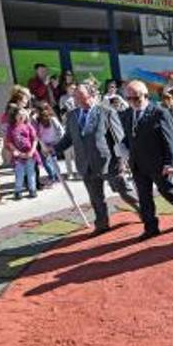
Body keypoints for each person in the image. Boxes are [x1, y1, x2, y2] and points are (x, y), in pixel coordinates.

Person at [52, 83, 139, 236]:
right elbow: (68, 138)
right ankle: (102, 224)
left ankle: (145, 212)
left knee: (125, 191)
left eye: (81, 95)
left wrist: (121, 161)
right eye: (75, 96)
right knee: (96, 198)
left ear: (92, 95)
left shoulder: (106, 112)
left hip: (108, 162)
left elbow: (119, 138)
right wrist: (54, 149)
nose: (77, 99)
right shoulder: (72, 116)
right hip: (85, 164)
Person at [120, 80, 173, 241]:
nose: (132, 102)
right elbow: (129, 136)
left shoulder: (159, 112)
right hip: (137, 163)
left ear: (145, 96)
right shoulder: (127, 114)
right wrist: (123, 147)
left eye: (136, 98)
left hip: (158, 163)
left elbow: (169, 138)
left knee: (167, 191)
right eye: (129, 98)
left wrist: (170, 162)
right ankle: (151, 228)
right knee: (144, 196)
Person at [6, 108, 40, 200]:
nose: (21, 117)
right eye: (19, 115)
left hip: (30, 154)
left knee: (31, 173)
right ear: (15, 116)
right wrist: (18, 153)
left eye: (23, 115)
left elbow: (35, 140)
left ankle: (32, 189)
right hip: (18, 155)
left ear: (26, 116)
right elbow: (9, 142)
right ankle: (18, 191)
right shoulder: (11, 128)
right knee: (19, 173)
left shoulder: (28, 126)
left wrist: (32, 151)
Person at [35, 104, 65, 186]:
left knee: (53, 161)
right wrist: (42, 145)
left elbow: (61, 131)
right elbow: (38, 134)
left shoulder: (52, 119)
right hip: (44, 143)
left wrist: (58, 142)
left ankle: (56, 177)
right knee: (45, 162)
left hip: (53, 143)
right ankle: (53, 176)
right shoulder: (38, 121)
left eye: (38, 111)